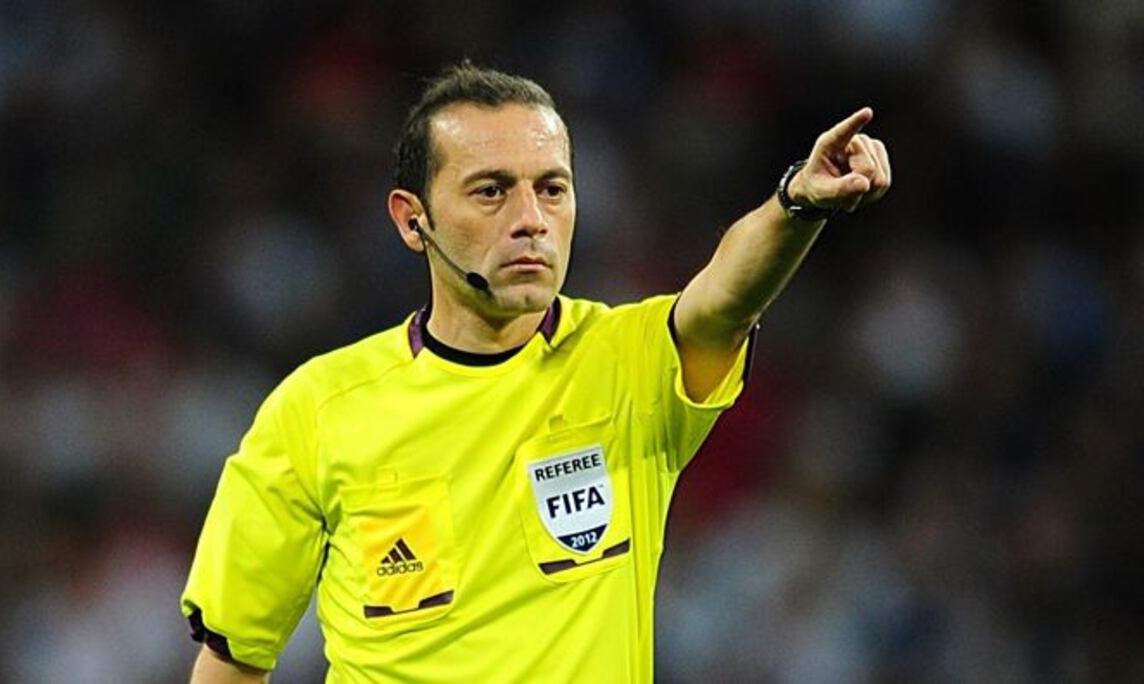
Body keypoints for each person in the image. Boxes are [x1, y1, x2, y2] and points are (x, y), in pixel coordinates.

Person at [181, 62, 890, 683]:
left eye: (552, 189)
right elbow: (235, 657)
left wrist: (797, 203)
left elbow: (725, 298)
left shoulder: (629, 364)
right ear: (412, 220)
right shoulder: (317, 409)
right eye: (491, 191)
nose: (531, 220)